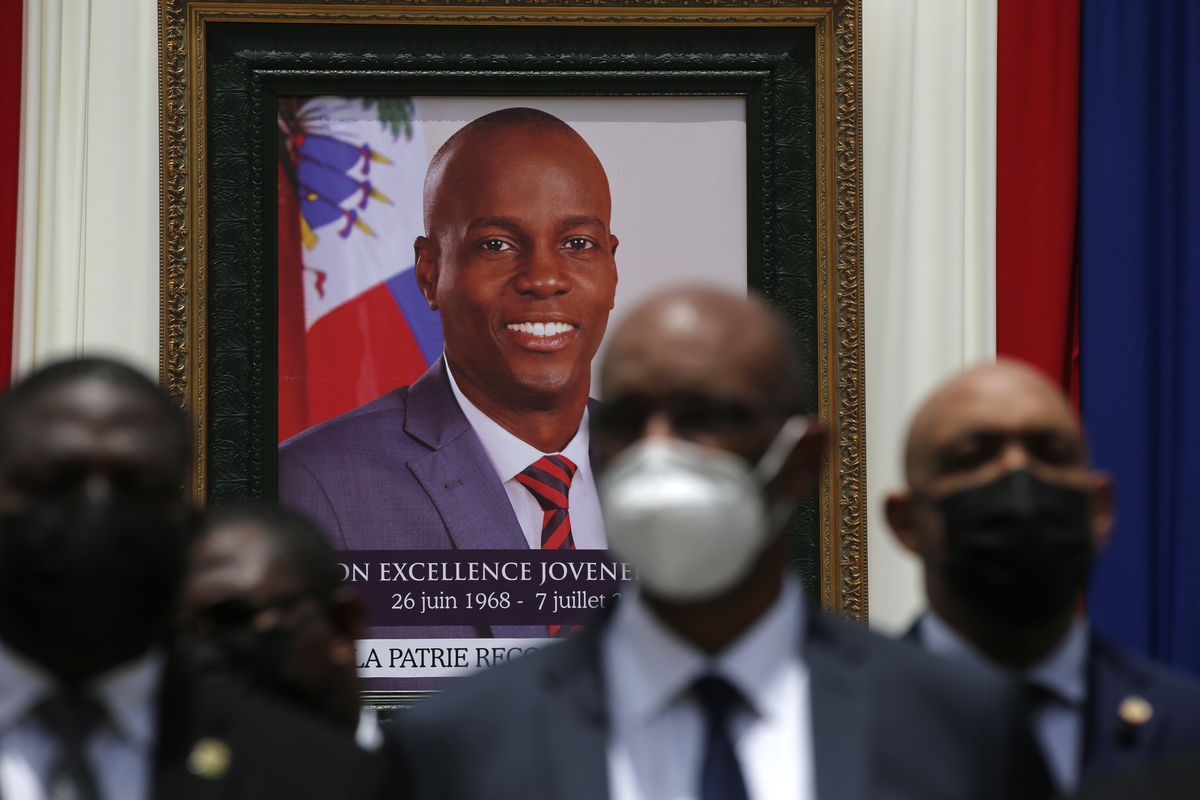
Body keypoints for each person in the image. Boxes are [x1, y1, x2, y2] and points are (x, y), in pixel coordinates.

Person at [391, 287, 1049, 800]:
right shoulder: (462, 743)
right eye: (624, 421)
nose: (657, 453)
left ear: (801, 459)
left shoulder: (956, 726)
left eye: (703, 418)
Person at [0, 358, 388, 799]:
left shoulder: (316, 776)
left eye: (138, 487)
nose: (96, 516)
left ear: (187, 526)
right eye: (54, 483)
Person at [279, 107, 618, 565]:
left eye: (578, 243)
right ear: (429, 272)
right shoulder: (314, 485)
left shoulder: (674, 474)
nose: (543, 279)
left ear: (612, 267)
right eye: (496, 244)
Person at [885, 360, 1200, 794]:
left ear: (1100, 509)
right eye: (973, 457)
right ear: (905, 523)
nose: (1018, 476)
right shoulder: (823, 732)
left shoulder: (1187, 735)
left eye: (1050, 453)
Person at [178, 503, 382, 750]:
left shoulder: (419, 777)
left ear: (342, 623)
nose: (204, 647)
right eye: (183, 629)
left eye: (233, 618)